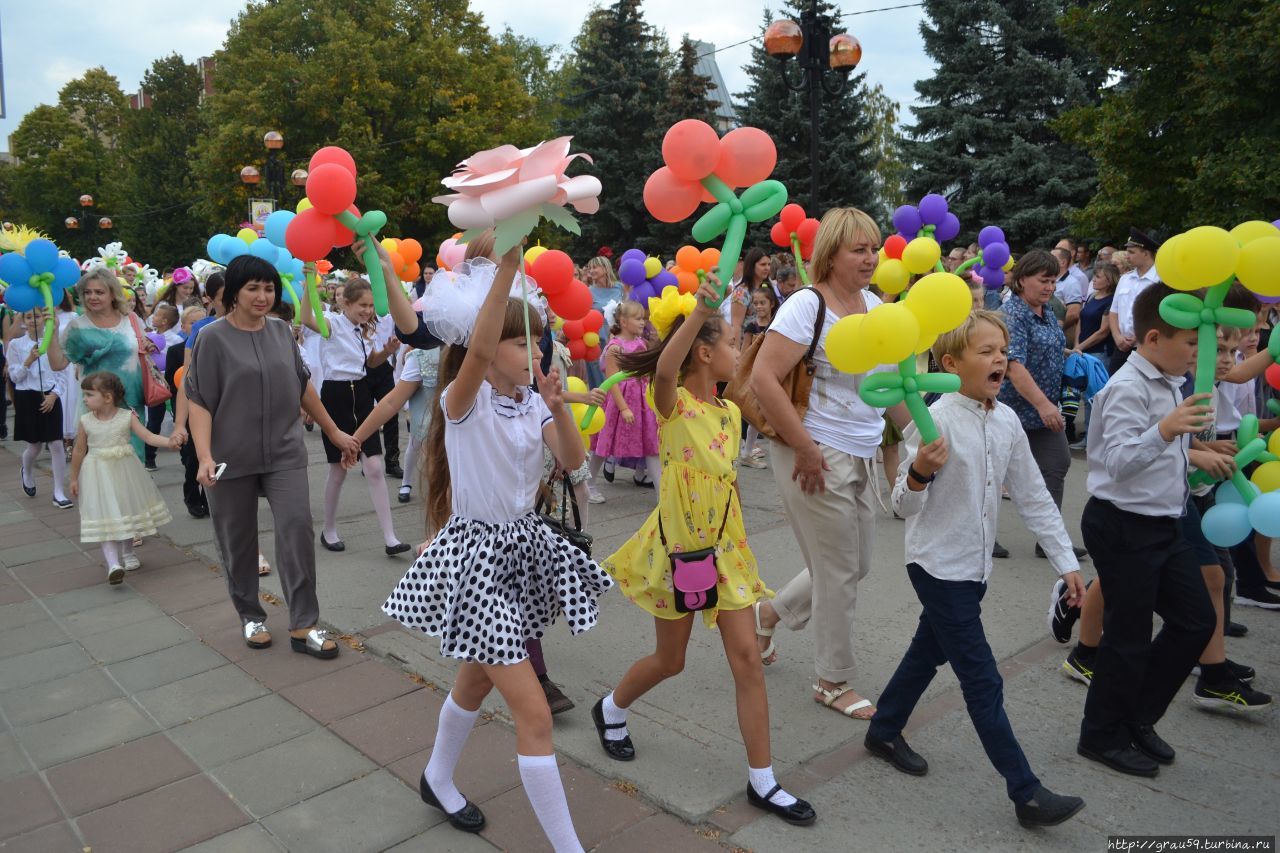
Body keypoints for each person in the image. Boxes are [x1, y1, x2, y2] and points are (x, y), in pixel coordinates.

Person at [381, 241, 611, 850]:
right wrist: (508, 267)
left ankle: (436, 778)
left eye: (536, 341)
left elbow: (573, 461)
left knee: (475, 682)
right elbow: (478, 351)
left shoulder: (532, 401)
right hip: (477, 563)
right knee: (534, 715)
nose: (535, 351)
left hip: (523, 551)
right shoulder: (464, 401)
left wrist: (560, 409)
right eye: (521, 343)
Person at [595, 277, 816, 826]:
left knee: (747, 660)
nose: (740, 352)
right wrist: (700, 311)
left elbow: (728, 485)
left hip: (724, 554)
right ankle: (611, 708)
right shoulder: (672, 406)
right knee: (671, 661)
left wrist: (738, 545)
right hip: (677, 554)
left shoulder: (730, 413)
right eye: (733, 344)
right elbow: (663, 372)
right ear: (704, 353)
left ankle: (763, 781)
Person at [870, 310, 1087, 828]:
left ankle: (883, 729)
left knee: (927, 652)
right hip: (937, 566)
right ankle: (1026, 792)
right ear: (950, 364)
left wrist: (1065, 561)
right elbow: (901, 505)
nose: (1000, 359)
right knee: (981, 677)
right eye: (987, 351)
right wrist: (920, 472)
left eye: (1003, 350)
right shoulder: (935, 420)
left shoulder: (1007, 420)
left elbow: (1033, 495)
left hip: (975, 567)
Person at [749, 208, 911, 719]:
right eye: (858, 250)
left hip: (861, 450)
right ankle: (832, 680)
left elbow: (888, 386)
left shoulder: (874, 305)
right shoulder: (807, 305)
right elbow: (763, 379)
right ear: (831, 255)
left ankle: (768, 614)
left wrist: (921, 436)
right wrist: (804, 448)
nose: (871, 258)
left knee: (854, 564)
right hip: (815, 451)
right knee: (839, 570)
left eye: (873, 249)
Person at [183, 255, 359, 657]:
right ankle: (250, 614)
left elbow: (302, 385)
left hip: (284, 451)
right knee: (238, 538)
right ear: (234, 293)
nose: (262, 296)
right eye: (253, 288)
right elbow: (199, 401)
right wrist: (205, 456)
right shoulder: (212, 338)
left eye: (268, 289)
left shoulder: (281, 331)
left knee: (296, 529)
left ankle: (304, 623)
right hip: (230, 457)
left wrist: (333, 431)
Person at [1076, 283, 1217, 777]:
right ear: (1154, 338)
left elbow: (1166, 453)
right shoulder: (1127, 388)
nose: (1197, 353)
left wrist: (1197, 452)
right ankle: (1100, 735)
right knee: (1127, 636)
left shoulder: (1171, 383)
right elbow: (1116, 463)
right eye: (1191, 343)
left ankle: (1136, 716)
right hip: (1122, 525)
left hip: (1163, 523)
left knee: (1196, 621)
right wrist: (1166, 430)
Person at [298, 277, 410, 556]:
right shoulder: (332, 324)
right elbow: (306, 318)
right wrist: (307, 288)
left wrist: (386, 352)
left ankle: (390, 537)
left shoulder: (365, 330)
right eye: (362, 305)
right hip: (335, 397)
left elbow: (370, 362)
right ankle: (329, 529)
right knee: (338, 469)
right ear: (345, 303)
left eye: (371, 306)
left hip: (361, 394)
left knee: (374, 466)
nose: (368, 310)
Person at [998, 250, 1088, 560]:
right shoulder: (1012, 314)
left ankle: (1050, 540)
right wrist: (1044, 406)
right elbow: (1013, 366)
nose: (1050, 287)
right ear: (1023, 280)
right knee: (992, 473)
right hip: (1012, 409)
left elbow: (1047, 343)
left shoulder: (1046, 311)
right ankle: (980, 534)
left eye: (1053, 281)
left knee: (1057, 463)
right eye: (1043, 280)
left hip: (1042, 410)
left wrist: (1069, 354)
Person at [69, 371, 174, 584]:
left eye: (89, 394)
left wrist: (169, 442)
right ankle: (113, 564)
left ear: (108, 397)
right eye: (84, 394)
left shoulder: (127, 417)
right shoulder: (86, 421)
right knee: (106, 516)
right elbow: (79, 450)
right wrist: (73, 478)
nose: (84, 399)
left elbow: (148, 436)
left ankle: (128, 552)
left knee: (126, 511)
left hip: (125, 472)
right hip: (97, 475)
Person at [49, 268, 148, 460]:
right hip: (96, 409)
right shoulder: (77, 327)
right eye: (87, 292)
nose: (92, 297)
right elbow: (57, 364)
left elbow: (142, 351)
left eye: (99, 292)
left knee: (133, 464)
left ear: (112, 294)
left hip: (131, 405)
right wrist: (52, 333)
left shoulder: (131, 319)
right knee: (101, 465)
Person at [586, 301, 660, 503]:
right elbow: (612, 381)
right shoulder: (615, 348)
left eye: (643, 318)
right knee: (603, 444)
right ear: (624, 321)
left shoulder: (641, 342)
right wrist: (624, 408)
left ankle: (662, 495)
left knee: (652, 443)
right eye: (638, 318)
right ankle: (588, 484)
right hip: (619, 401)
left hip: (642, 400)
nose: (643, 322)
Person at [7, 309, 71, 508]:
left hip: (50, 396)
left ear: (45, 319)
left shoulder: (53, 342)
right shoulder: (16, 345)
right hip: (27, 397)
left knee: (56, 444)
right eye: (28, 317)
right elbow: (14, 377)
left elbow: (62, 373)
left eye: (37, 316)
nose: (33, 320)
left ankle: (58, 492)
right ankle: (26, 470)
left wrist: (54, 395)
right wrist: (28, 361)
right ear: (23, 321)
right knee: (34, 446)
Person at [1106, 228, 1161, 375]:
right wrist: (1117, 337)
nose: (1127, 256)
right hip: (1121, 346)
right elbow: (1114, 311)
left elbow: (1159, 315)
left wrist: (1138, 336)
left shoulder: (1160, 280)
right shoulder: (1125, 279)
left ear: (1146, 253)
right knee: (1113, 383)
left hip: (1146, 347)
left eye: (1131, 252)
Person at [739, 286, 781, 469]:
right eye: (755, 303)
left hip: (775, 373)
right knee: (757, 415)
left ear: (771, 303)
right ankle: (747, 453)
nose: (758, 306)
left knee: (768, 414)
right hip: (756, 375)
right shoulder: (751, 327)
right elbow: (745, 353)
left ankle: (748, 453)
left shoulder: (778, 324)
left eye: (762, 302)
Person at [1073, 263, 1119, 361]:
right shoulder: (1092, 296)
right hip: (1081, 350)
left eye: (1098, 277)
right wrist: (1076, 344)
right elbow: (1081, 320)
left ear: (1109, 281)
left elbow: (1103, 332)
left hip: (1098, 352)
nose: (1093, 279)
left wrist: (1079, 347)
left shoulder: (1112, 301)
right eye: (1094, 276)